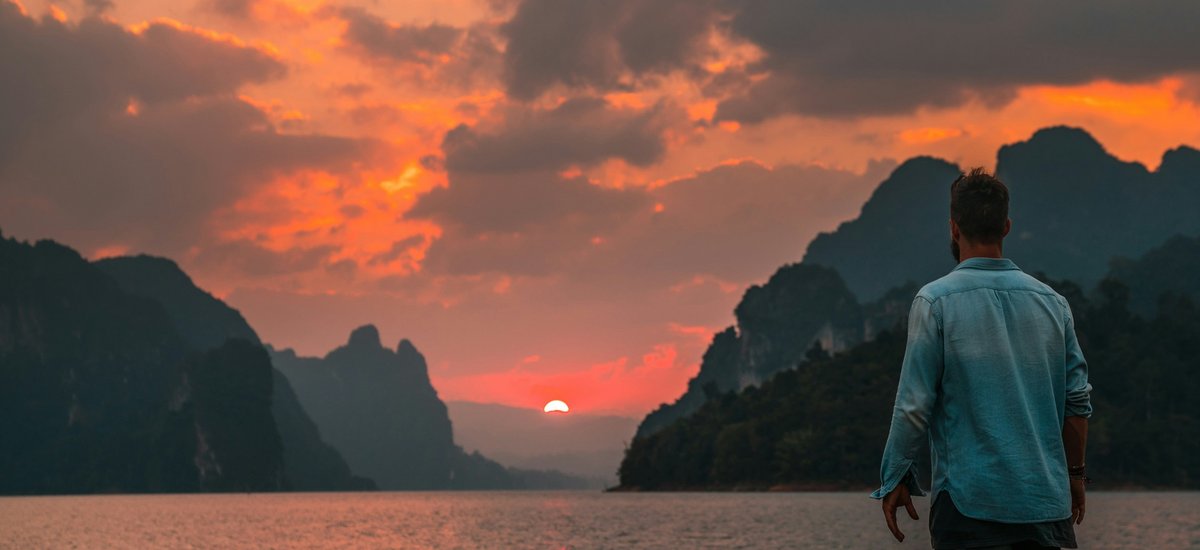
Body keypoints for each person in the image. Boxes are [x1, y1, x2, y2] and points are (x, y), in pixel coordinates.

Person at [870, 168, 1093, 549]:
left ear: (954, 228)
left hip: (969, 509)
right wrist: (1074, 475)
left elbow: (913, 406)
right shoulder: (1053, 305)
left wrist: (895, 476)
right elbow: (1077, 403)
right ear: (1006, 227)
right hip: (1046, 509)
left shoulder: (935, 302)